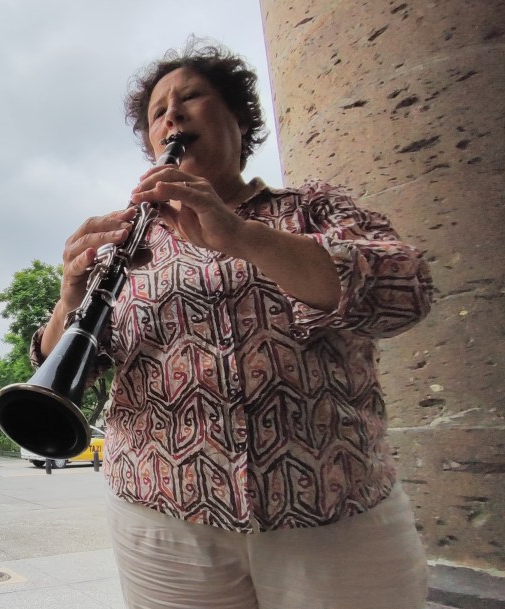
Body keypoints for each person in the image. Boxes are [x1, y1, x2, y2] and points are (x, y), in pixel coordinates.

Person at [31, 40, 432, 609]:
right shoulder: (129, 244)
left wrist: (242, 237)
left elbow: (405, 289)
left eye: (191, 96)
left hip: (334, 510)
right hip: (162, 521)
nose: (171, 114)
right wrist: (70, 298)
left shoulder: (313, 209)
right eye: (156, 113)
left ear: (239, 120)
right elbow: (66, 369)